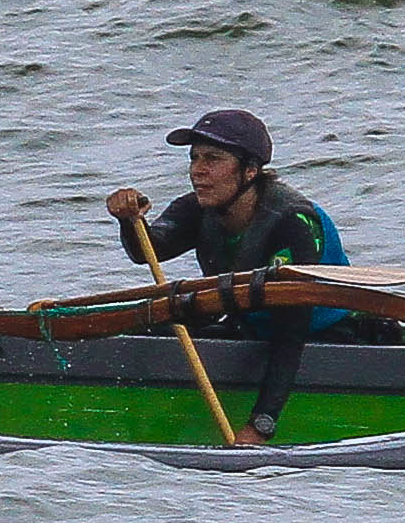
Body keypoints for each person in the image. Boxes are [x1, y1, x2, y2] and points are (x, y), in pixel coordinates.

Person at [102, 104, 353, 446]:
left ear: (250, 170)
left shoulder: (293, 224)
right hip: (252, 328)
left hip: (325, 336)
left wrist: (261, 426)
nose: (197, 171)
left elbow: (290, 338)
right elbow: (148, 251)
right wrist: (131, 222)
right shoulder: (197, 207)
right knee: (153, 326)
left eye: (212, 159)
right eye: (194, 158)